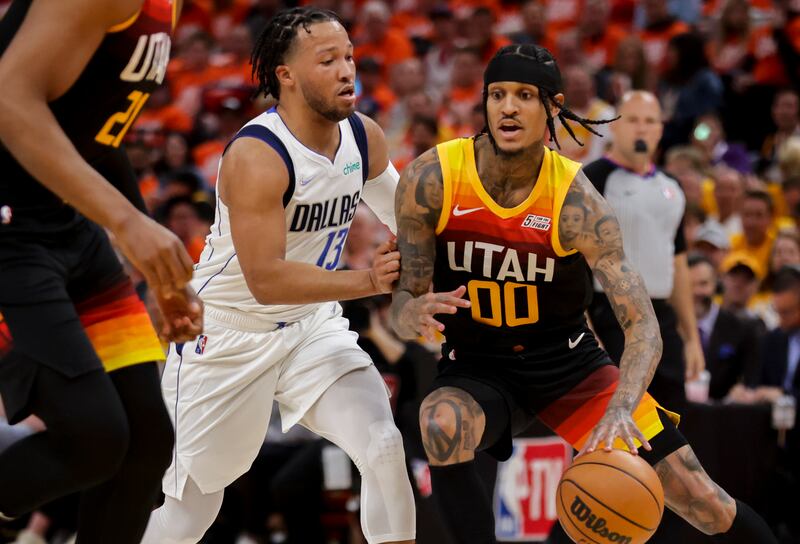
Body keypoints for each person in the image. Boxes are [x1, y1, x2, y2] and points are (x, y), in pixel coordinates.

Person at [389, 44, 777, 544]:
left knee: (702, 499)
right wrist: (410, 311)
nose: (508, 107)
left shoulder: (576, 200)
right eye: (497, 94)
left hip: (569, 367)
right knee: (439, 423)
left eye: (524, 96)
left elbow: (644, 328)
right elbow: (402, 306)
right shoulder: (433, 177)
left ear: (552, 108)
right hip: (478, 365)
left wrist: (621, 405)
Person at [142, 8, 415, 544]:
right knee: (192, 512)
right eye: (328, 60)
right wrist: (370, 281)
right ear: (285, 75)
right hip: (225, 333)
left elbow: (410, 220)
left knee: (383, 443)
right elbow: (265, 279)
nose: (346, 72)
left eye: (350, 58)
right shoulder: (257, 155)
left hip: (311, 325)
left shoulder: (364, 138)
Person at [0, 0, 203, 542]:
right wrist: (126, 223)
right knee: (93, 436)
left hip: (65, 226)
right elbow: (8, 100)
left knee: (146, 444)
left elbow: (97, 137)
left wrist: (150, 255)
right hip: (8, 232)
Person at [585, 91, 705, 408]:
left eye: (650, 121)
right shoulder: (591, 179)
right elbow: (571, 261)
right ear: (615, 126)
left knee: (671, 423)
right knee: (606, 425)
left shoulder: (671, 188)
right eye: (633, 120)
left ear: (660, 129)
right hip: (608, 314)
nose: (642, 128)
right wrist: (586, 330)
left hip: (662, 318)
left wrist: (691, 338)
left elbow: (677, 262)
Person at [689, 253, 761, 400]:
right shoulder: (668, 328)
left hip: (723, 416)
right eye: (689, 285)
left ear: (716, 284)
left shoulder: (742, 329)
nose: (696, 292)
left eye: (703, 284)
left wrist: (741, 391)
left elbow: (749, 380)